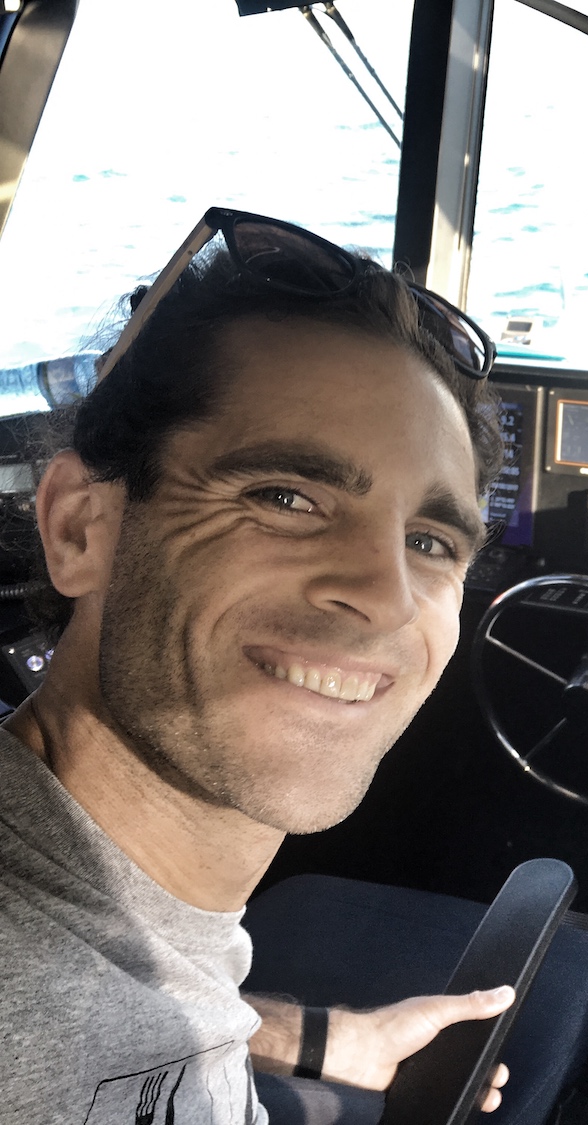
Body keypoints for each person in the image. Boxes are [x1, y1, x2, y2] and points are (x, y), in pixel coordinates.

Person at [0, 209, 514, 1123]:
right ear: (81, 526)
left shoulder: (131, 914)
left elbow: (154, 1005)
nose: (387, 595)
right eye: (286, 496)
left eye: (431, 540)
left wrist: (321, 1040)